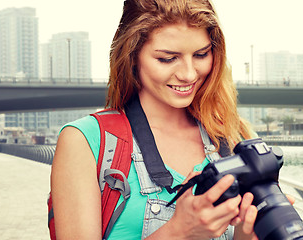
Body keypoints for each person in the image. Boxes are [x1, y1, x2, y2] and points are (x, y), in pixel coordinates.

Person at [50, 0, 260, 239]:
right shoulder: (87, 140)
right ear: (132, 57)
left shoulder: (234, 135)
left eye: (201, 54)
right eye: (167, 58)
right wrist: (179, 231)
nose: (189, 74)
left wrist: (248, 231)